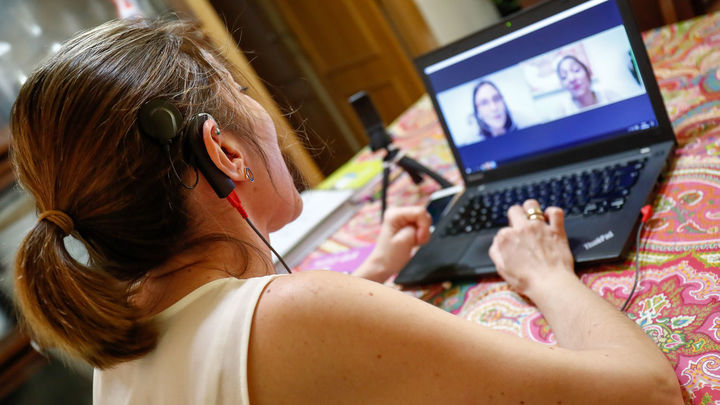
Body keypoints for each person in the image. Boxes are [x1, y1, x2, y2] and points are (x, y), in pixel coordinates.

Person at [9, 19, 683, 404]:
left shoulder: (118, 344)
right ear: (223, 151)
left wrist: (375, 268)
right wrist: (547, 275)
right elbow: (648, 392)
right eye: (240, 90)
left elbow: (275, 361)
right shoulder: (301, 312)